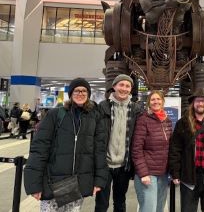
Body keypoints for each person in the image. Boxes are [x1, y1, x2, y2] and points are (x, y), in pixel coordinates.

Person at [24, 78, 108, 212]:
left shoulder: (94, 118)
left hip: (77, 182)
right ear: (70, 94)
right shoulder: (55, 114)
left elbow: (99, 150)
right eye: (76, 90)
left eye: (84, 91)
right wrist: (34, 184)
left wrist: (99, 180)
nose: (80, 93)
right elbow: (39, 149)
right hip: (54, 181)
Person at [95, 74, 142, 212]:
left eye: (127, 86)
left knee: (120, 201)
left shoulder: (136, 109)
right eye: (121, 85)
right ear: (114, 86)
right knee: (101, 203)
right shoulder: (102, 107)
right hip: (105, 164)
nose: (124, 88)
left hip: (124, 165)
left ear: (131, 89)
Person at [132, 90, 173, 212]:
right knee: (148, 208)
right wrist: (143, 173)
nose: (156, 102)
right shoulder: (143, 119)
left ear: (163, 101)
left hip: (163, 173)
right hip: (148, 173)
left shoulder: (167, 120)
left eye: (158, 99)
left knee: (160, 207)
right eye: (153, 99)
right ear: (149, 103)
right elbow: (136, 149)